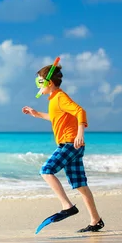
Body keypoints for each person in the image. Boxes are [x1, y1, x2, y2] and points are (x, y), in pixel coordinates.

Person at [22, 63, 104, 232]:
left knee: (46, 170)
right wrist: (36, 114)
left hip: (70, 143)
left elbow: (80, 111)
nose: (37, 86)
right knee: (80, 185)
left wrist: (80, 133)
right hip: (74, 146)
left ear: (49, 83)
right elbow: (56, 117)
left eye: (39, 82)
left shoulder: (60, 97)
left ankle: (67, 206)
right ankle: (96, 221)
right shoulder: (53, 99)